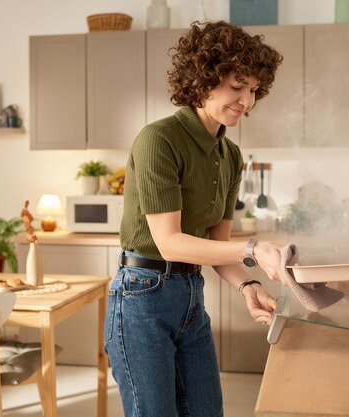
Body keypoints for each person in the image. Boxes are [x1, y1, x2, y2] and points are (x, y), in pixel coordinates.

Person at [104, 20, 285, 417]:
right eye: (237, 87)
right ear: (203, 80)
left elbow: (218, 249)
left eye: (253, 90)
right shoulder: (159, 139)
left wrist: (248, 285)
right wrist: (254, 248)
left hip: (190, 296)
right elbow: (169, 241)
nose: (247, 101)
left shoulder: (230, 156)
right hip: (141, 297)